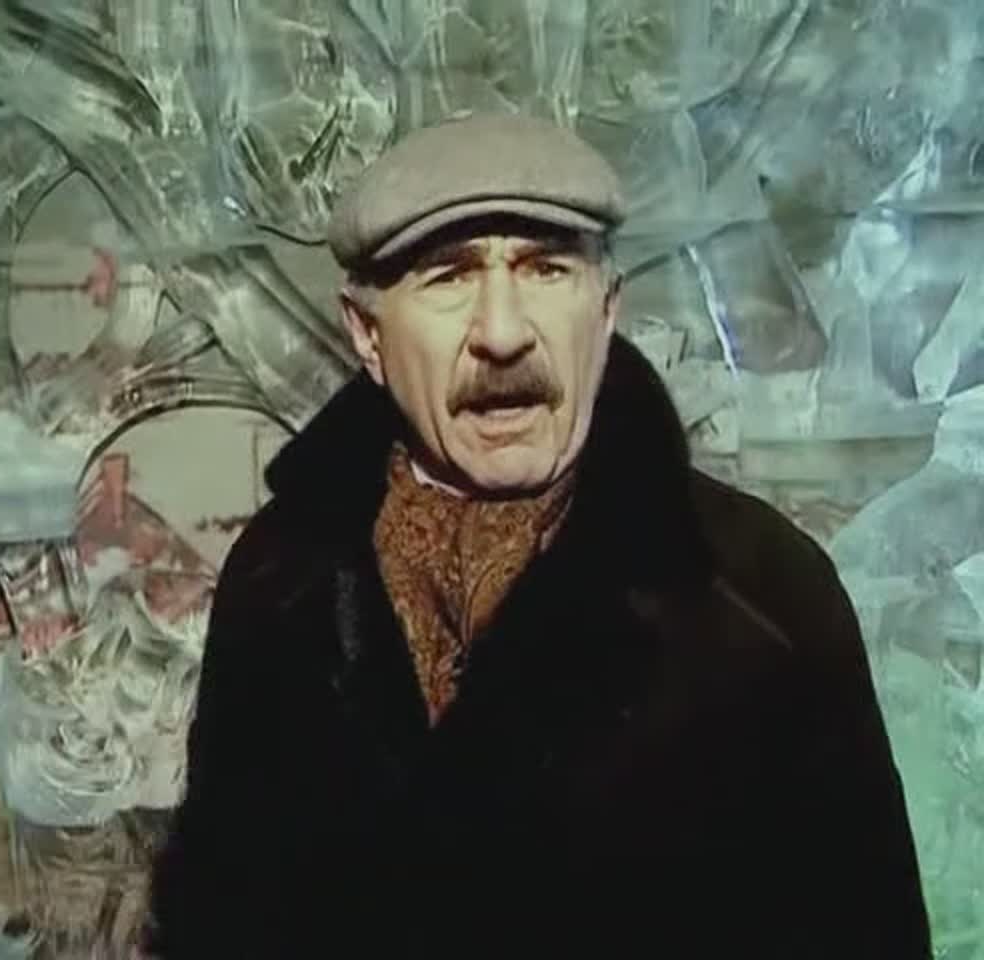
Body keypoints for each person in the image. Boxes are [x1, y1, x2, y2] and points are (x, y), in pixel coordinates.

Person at [145, 113, 932, 958]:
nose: (503, 332)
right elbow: (215, 922)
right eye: (449, 276)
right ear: (368, 336)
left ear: (607, 308)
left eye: (545, 268)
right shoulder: (280, 578)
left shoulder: (760, 593)